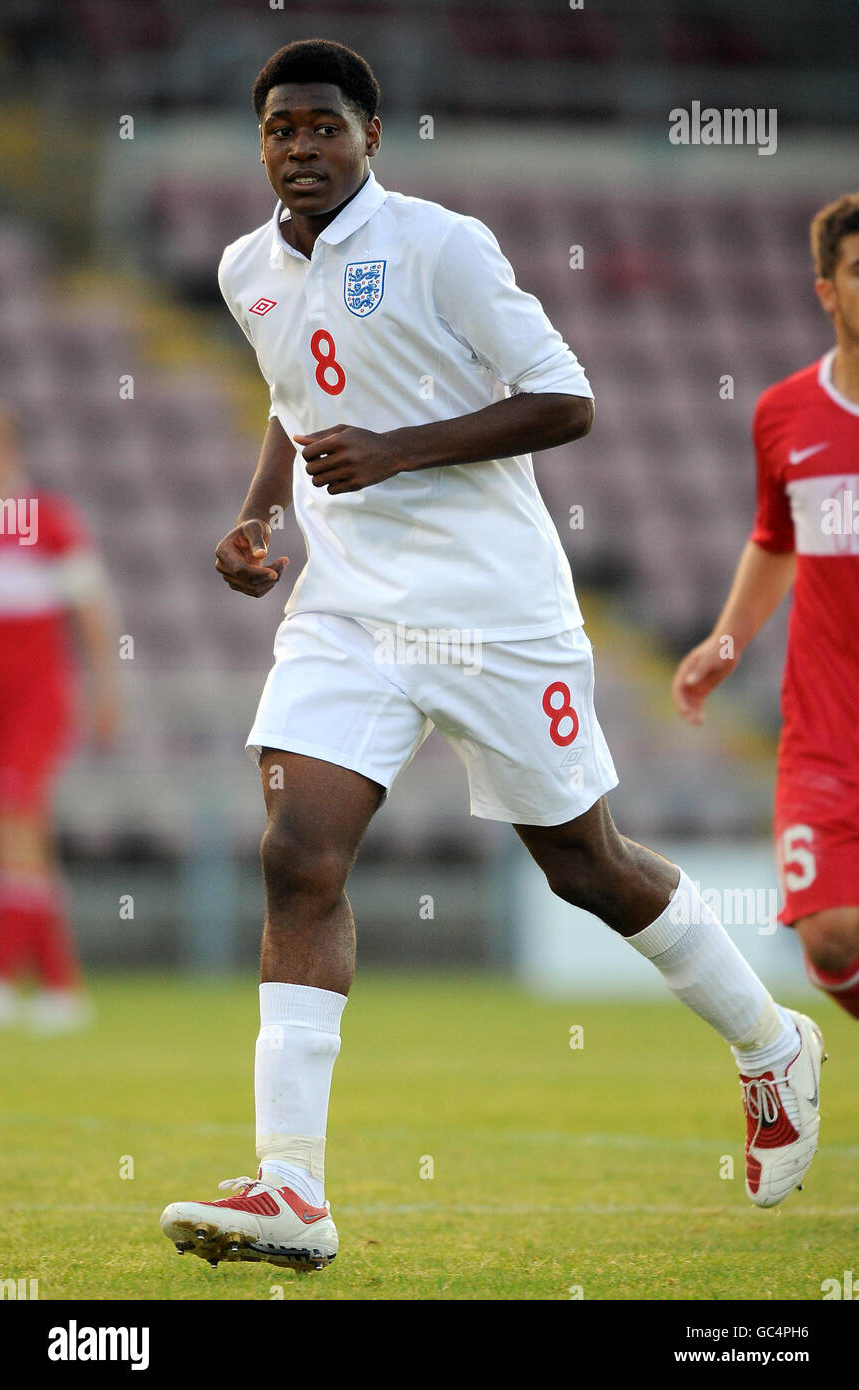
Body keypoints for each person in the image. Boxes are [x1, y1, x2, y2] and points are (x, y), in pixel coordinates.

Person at [160, 40, 824, 1273]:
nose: (300, 148)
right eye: (280, 129)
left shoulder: (441, 245)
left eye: (324, 128)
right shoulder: (245, 267)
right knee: (298, 854)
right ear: (261, 143)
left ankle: (769, 1042)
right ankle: (291, 1188)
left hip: (496, 611)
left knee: (588, 865)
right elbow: (287, 399)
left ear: (372, 137)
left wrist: (400, 450)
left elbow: (567, 400)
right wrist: (263, 516)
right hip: (349, 611)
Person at [674, 192, 859, 1021]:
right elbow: (776, 539)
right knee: (829, 937)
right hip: (827, 726)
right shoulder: (784, 414)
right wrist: (724, 642)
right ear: (826, 290)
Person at [0, 408, 117, 1032]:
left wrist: (106, 690)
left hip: (36, 701)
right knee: (26, 842)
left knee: (16, 820)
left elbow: (92, 612)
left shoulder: (46, 520)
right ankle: (59, 985)